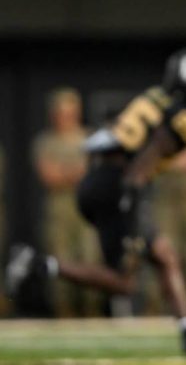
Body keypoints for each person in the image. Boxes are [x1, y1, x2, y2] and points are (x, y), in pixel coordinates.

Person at [5, 47, 186, 356]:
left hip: (104, 180)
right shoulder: (182, 119)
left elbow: (106, 140)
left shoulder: (156, 96)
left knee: (164, 257)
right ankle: (37, 264)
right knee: (124, 282)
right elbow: (140, 171)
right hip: (119, 189)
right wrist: (131, 207)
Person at [31, 87, 101, 317]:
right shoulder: (46, 141)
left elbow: (95, 172)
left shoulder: (89, 138)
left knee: (90, 258)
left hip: (87, 207)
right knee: (60, 260)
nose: (66, 116)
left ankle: (92, 312)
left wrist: (67, 173)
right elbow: (49, 177)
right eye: (62, 112)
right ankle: (64, 313)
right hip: (59, 211)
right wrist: (76, 172)